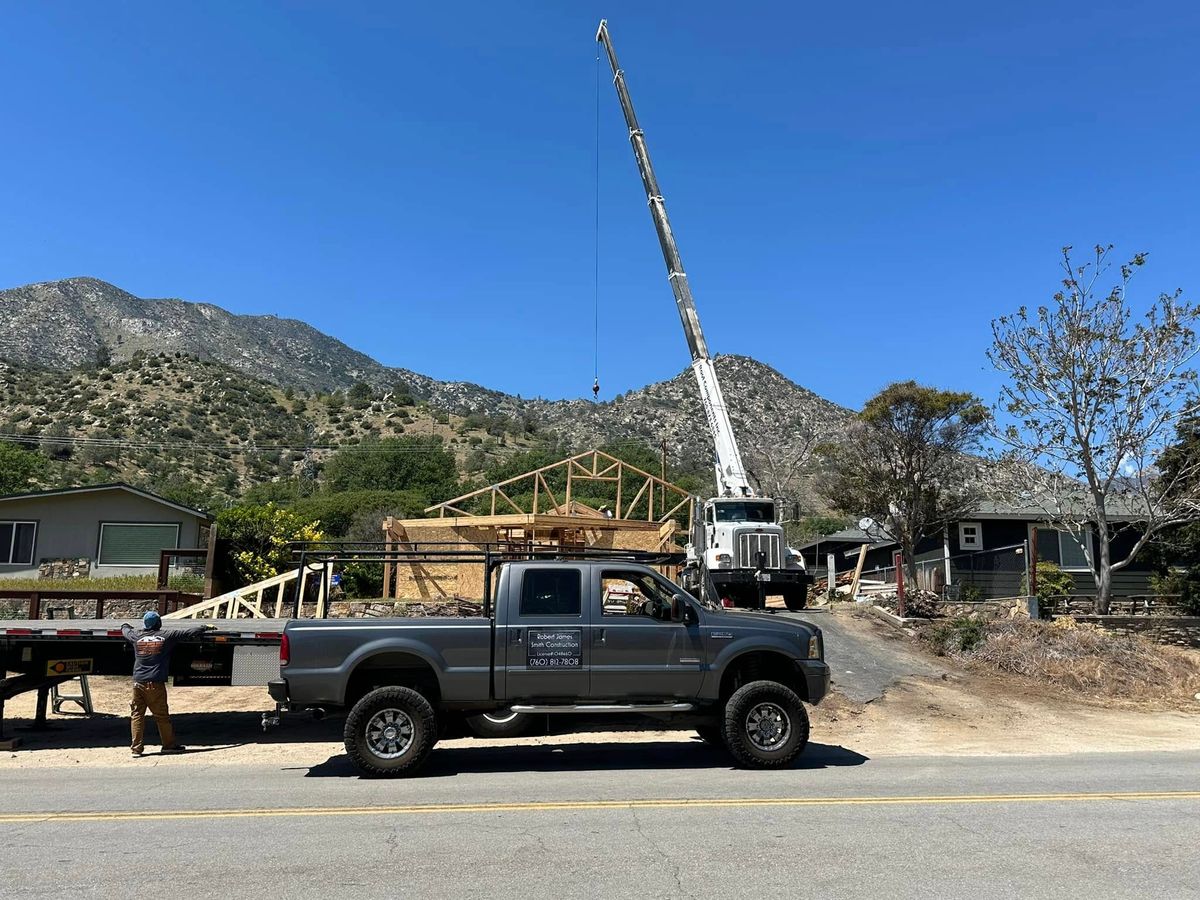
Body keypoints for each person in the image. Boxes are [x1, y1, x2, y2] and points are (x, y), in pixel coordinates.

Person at [121, 611, 208, 757]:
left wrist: (125, 625)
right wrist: (204, 627)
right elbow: (187, 633)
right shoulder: (166, 636)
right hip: (154, 683)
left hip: (138, 682)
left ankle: (136, 748)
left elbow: (125, 631)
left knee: (137, 715)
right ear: (158, 623)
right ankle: (168, 745)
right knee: (161, 716)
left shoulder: (137, 636)